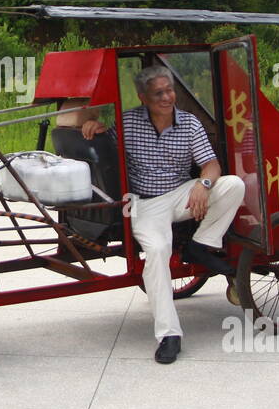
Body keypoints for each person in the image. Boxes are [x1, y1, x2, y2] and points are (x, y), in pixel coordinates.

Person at [82, 65, 242, 364]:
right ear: (144, 97)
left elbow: (212, 165)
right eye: (158, 93)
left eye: (170, 90)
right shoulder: (128, 122)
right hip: (145, 203)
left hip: (182, 193)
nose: (167, 97)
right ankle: (169, 335)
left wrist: (204, 185)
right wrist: (93, 125)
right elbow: (102, 137)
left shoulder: (190, 124)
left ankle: (201, 244)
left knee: (233, 184)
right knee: (156, 251)